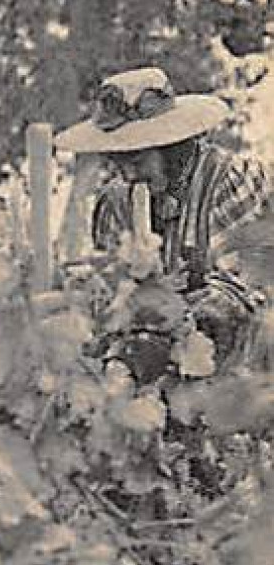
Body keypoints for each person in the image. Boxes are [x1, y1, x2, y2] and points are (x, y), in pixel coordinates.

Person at [56, 67, 271, 375]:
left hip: (235, 375)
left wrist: (178, 311)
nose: (128, 175)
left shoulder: (228, 182)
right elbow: (111, 287)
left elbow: (247, 292)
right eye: (117, 163)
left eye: (137, 161)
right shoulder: (116, 203)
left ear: (173, 149)